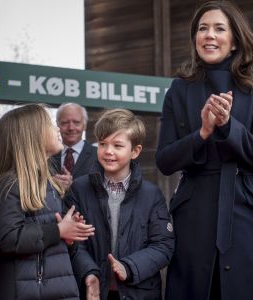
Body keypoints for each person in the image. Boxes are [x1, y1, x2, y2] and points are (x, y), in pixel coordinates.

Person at [155, 1, 253, 300]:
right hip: (193, 214)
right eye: (202, 28)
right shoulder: (178, 89)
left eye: (219, 28)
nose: (209, 35)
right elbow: (164, 160)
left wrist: (227, 125)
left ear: (235, 40)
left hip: (245, 211)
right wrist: (202, 133)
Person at [0, 104, 95, 300]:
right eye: (51, 124)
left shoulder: (46, 183)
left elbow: (41, 236)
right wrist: (58, 230)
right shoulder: (8, 186)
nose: (58, 129)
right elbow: (9, 238)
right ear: (32, 137)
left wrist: (66, 234)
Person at [65, 108, 174, 300]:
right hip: (93, 291)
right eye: (102, 143)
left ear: (135, 151)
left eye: (117, 145)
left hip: (140, 292)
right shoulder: (79, 189)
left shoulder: (152, 195)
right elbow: (74, 244)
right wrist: (90, 273)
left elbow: (163, 245)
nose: (108, 151)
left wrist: (129, 267)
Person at [52, 103, 97, 190]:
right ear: (57, 125)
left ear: (85, 125)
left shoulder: (98, 155)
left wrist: (72, 186)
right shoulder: (48, 156)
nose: (71, 128)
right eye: (65, 123)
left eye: (76, 122)